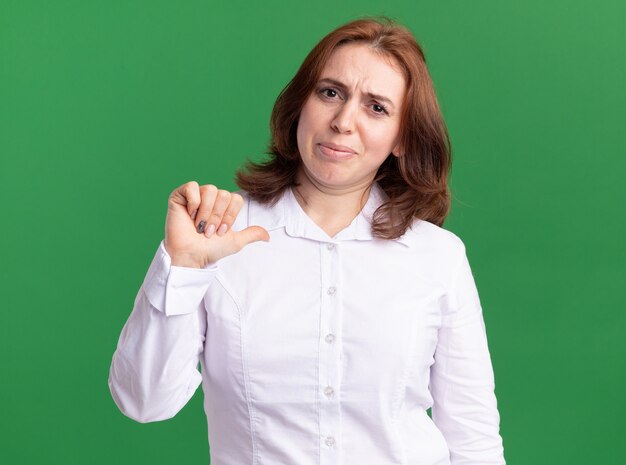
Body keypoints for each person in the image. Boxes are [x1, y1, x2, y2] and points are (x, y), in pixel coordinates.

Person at [109, 17, 506, 465]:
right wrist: (181, 267)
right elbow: (143, 402)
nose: (343, 121)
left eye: (376, 107)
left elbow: (472, 440)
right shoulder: (218, 235)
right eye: (331, 92)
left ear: (402, 139)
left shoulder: (439, 257)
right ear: (301, 104)